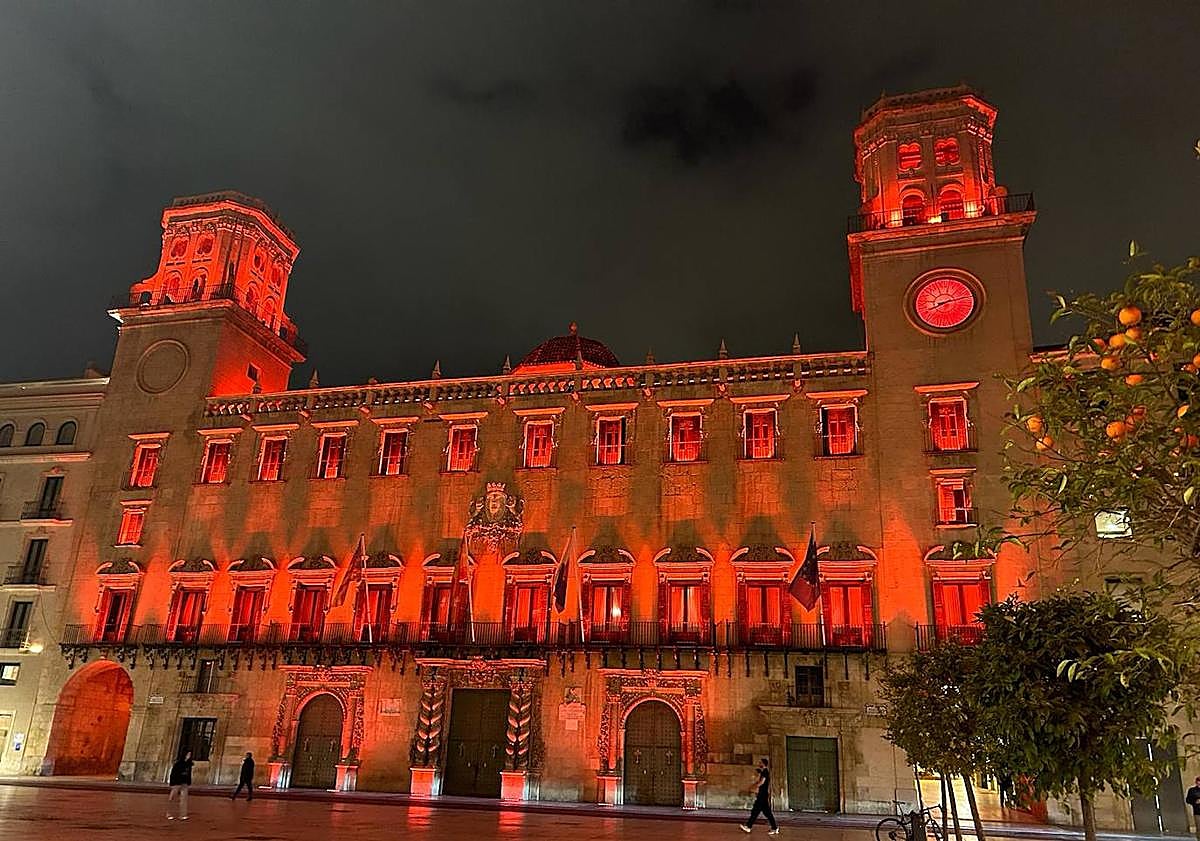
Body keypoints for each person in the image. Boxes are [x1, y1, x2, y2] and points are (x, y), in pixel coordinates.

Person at [740, 757, 779, 835]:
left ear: (763, 764)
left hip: (762, 795)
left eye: (760, 763)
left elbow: (761, 782)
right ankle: (774, 828)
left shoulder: (765, 772)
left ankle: (748, 826)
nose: (759, 764)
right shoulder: (764, 772)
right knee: (766, 813)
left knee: (756, 811)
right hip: (763, 795)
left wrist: (754, 787)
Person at [167, 750, 194, 821]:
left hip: (184, 783)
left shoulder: (189, 764)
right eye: (188, 754)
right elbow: (173, 773)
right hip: (177, 782)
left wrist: (189, 782)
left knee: (184, 799)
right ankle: (169, 813)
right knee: (172, 798)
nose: (189, 756)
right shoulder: (178, 764)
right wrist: (172, 783)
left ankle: (183, 815)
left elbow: (189, 774)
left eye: (190, 754)